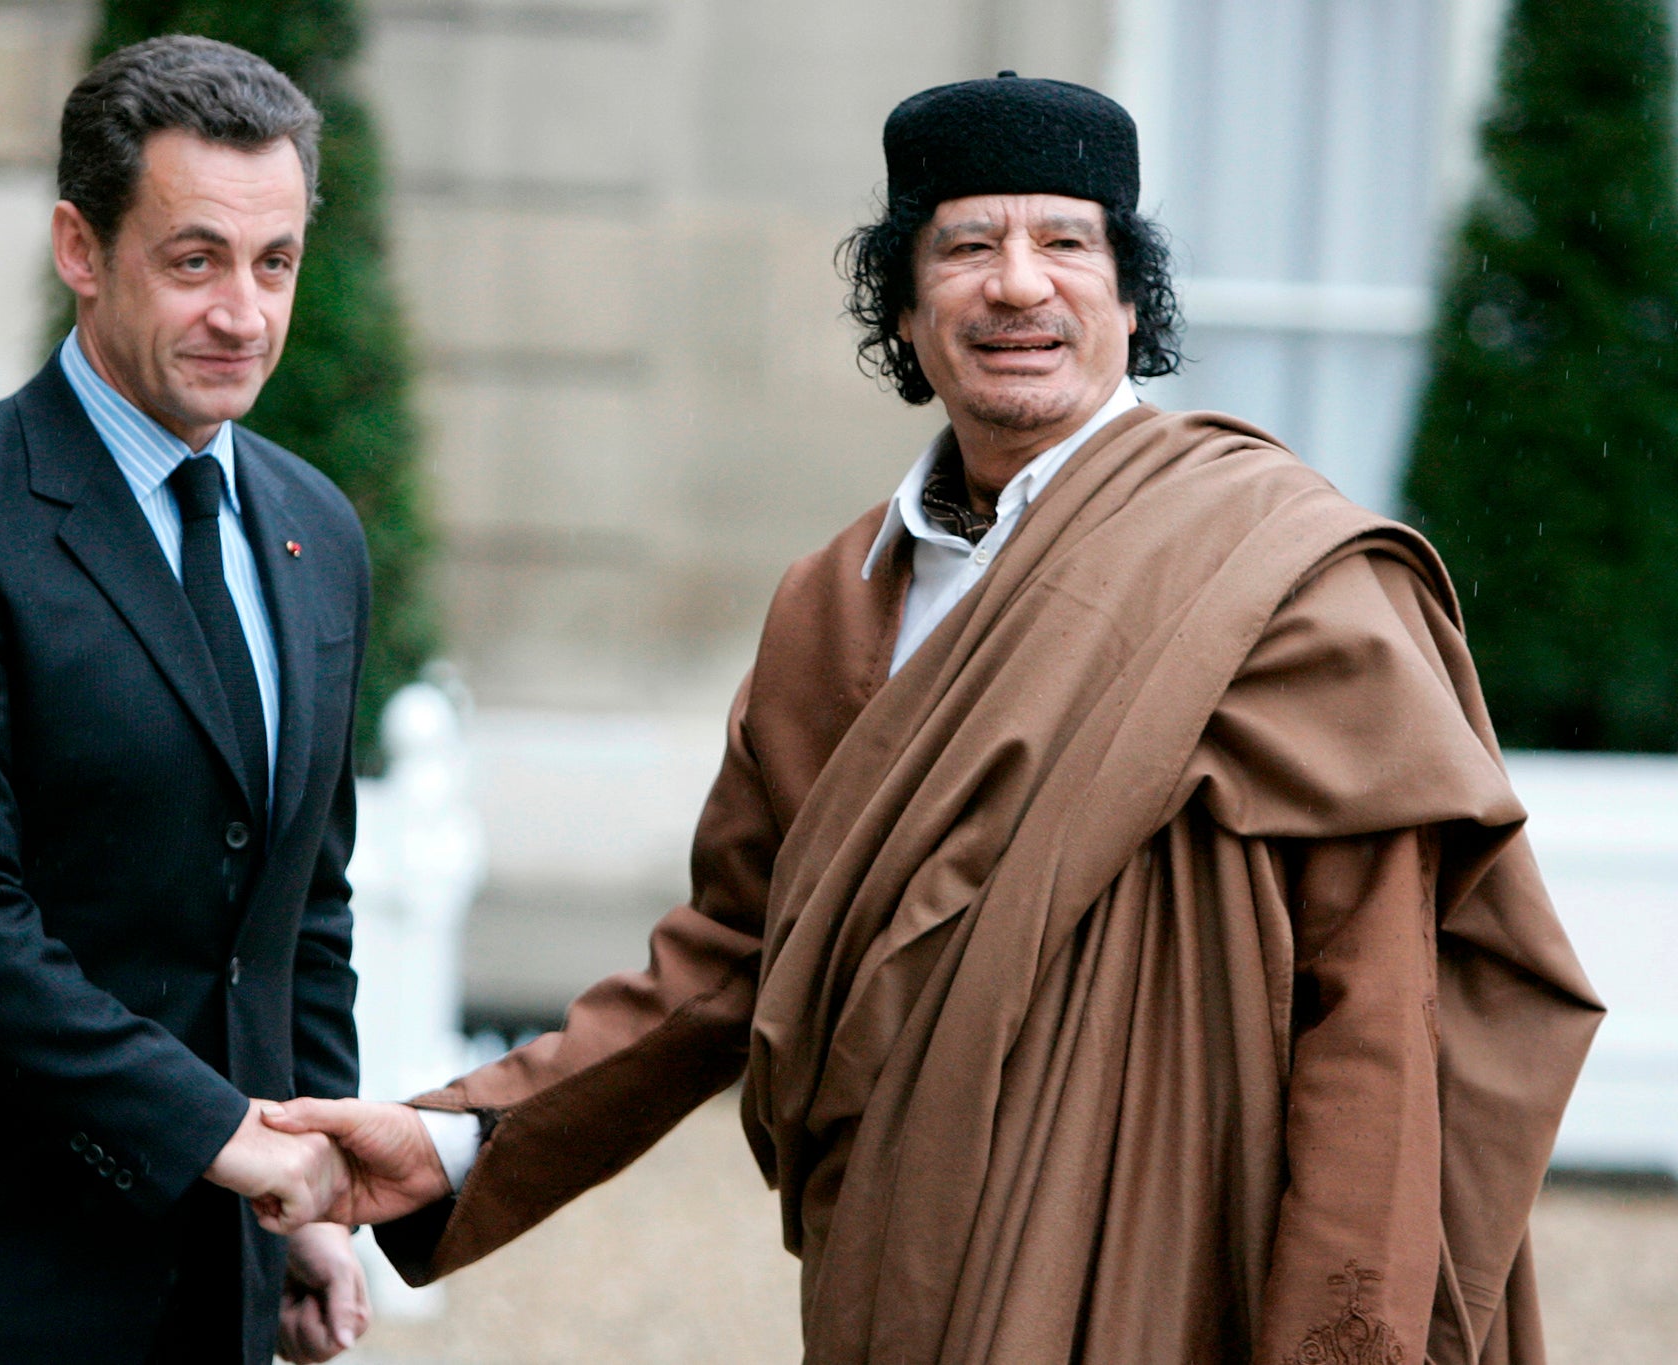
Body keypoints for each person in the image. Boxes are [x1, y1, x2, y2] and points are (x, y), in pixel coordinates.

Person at [266, 74, 1604, 1363]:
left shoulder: (1282, 577)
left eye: (1066, 242)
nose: (1019, 283)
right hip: (903, 1265)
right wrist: (458, 1136)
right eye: (967, 245)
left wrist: (1342, 1340)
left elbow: (1377, 1014)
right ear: (903, 312)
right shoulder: (832, 606)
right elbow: (730, 959)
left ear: (1132, 299)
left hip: (1184, 1266)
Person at [0, 36, 370, 1365]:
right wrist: (221, 1137)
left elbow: (301, 909)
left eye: (275, 263)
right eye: (195, 258)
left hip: (214, 1277)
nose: (245, 314)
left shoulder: (317, 530)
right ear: (80, 249)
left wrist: (315, 1192)